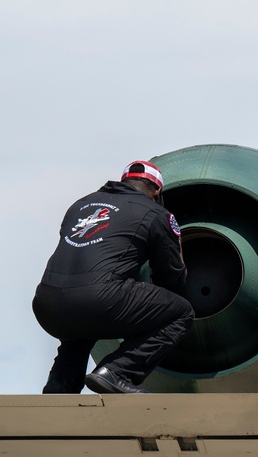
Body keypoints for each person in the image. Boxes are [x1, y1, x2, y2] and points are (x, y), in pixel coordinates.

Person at [33, 160, 194, 394]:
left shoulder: (81, 204)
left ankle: (61, 382)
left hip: (45, 306)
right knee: (181, 312)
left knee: (84, 315)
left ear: (123, 182)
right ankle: (118, 372)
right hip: (96, 300)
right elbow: (171, 279)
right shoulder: (156, 213)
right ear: (157, 191)